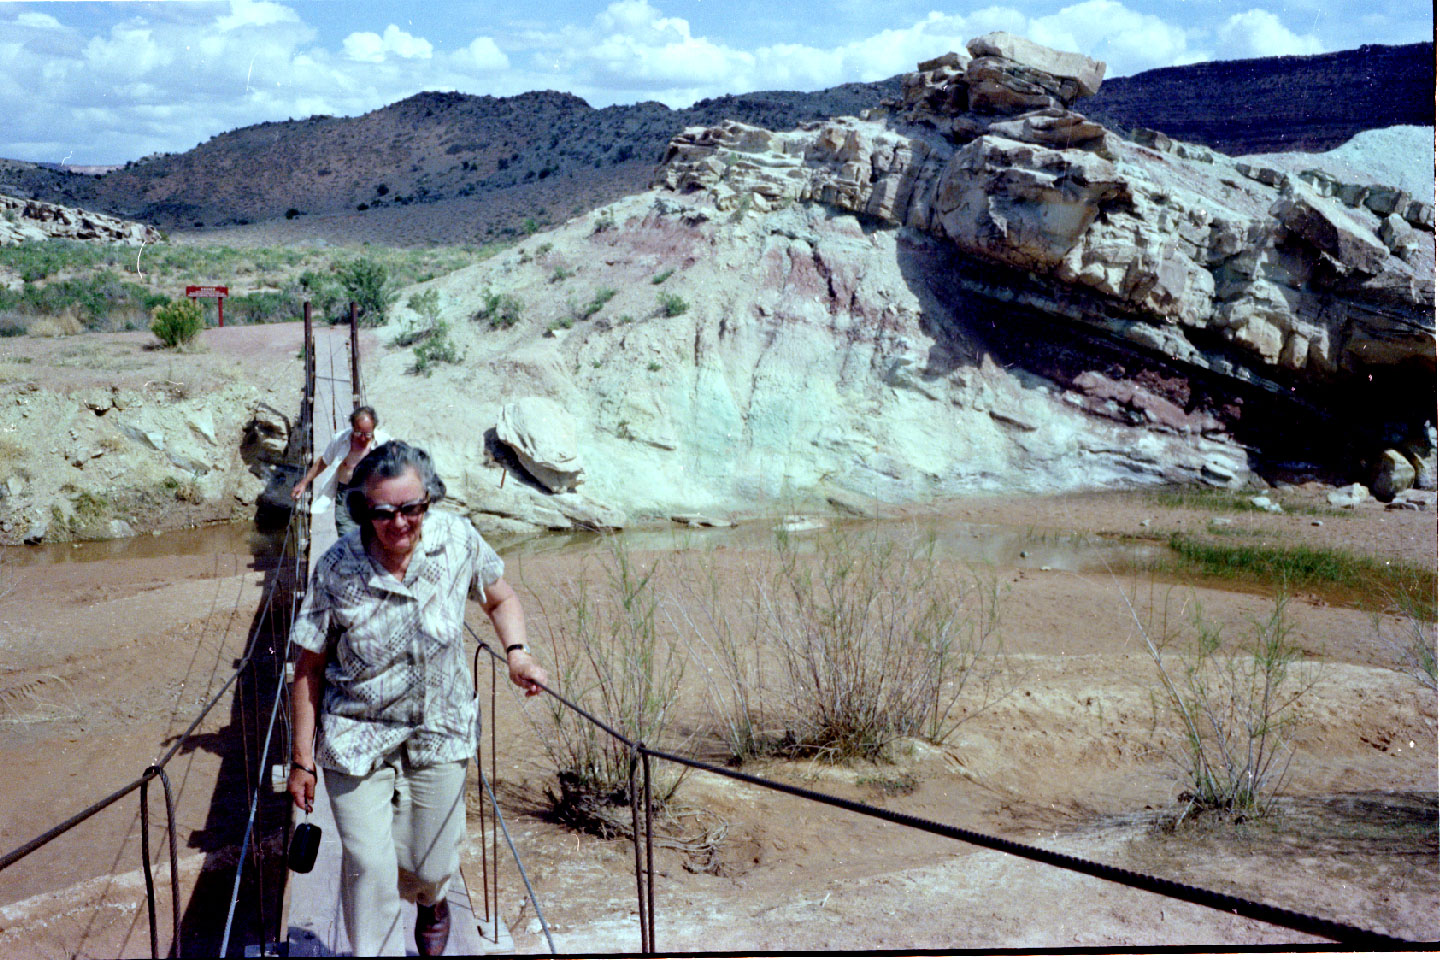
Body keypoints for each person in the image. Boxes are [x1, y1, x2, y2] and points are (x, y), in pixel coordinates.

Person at [287, 440, 547, 956]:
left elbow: (500, 596)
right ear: (363, 509)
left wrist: (516, 653)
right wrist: (301, 760)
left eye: (412, 507)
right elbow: (309, 664)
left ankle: (432, 901)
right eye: (383, 512)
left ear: (430, 499)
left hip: (440, 731)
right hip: (356, 737)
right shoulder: (338, 567)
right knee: (369, 869)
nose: (399, 522)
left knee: (430, 866)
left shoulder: (457, 540)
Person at [291, 406, 391, 536]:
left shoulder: (385, 442)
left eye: (367, 434)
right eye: (358, 433)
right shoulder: (340, 440)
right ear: (353, 428)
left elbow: (400, 463)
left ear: (373, 430)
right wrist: (303, 483)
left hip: (371, 497)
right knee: (346, 538)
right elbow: (323, 462)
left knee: (371, 539)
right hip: (345, 495)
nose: (362, 438)